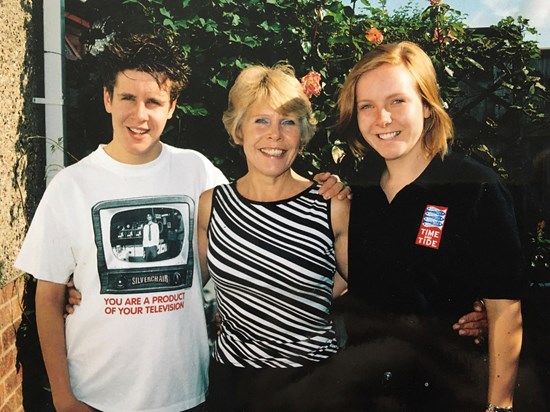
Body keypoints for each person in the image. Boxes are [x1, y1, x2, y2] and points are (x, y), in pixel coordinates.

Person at [16, 33, 348, 412]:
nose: (140, 115)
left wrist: (328, 188)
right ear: (108, 98)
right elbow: (48, 296)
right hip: (96, 394)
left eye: (154, 101)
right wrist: (63, 398)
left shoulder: (198, 173)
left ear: (172, 107)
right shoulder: (70, 185)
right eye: (128, 98)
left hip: (189, 392)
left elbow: (262, 213)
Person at [336, 41, 524, 411]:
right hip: (366, 393)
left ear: (426, 104)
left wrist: (499, 406)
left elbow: (505, 311)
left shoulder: (475, 188)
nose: (382, 119)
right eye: (367, 106)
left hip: (448, 394)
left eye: (397, 101)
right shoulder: (357, 191)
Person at [197, 63, 350, 411]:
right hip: (234, 384)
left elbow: (363, 281)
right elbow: (186, 286)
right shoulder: (212, 204)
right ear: (239, 130)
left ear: (303, 131)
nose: (275, 135)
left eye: (288, 121)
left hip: (313, 383)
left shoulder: (330, 204)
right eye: (261, 120)